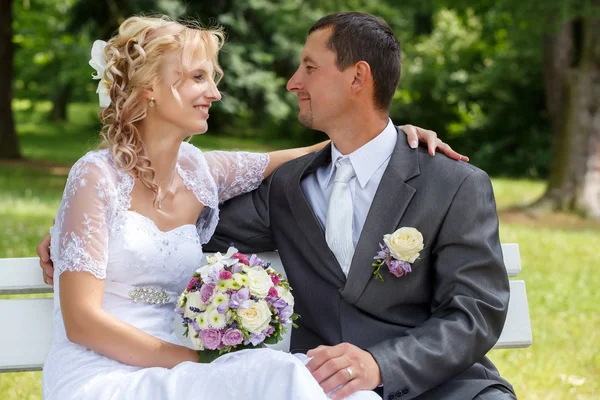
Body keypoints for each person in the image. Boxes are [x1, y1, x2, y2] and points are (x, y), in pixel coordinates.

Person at [35, 15, 459, 400]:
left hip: (184, 371)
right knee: (281, 378)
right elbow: (82, 323)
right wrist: (198, 362)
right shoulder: (96, 177)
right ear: (150, 88)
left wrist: (389, 137)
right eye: (199, 78)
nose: (214, 93)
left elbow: (308, 153)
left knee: (343, 393)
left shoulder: (199, 172)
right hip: (106, 375)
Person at [201, 12, 516, 400]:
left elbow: (475, 313)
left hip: (442, 386)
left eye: (310, 68)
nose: (292, 82)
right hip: (322, 387)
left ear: (357, 77)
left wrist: (381, 365)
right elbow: (195, 229)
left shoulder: (454, 184)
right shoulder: (287, 187)